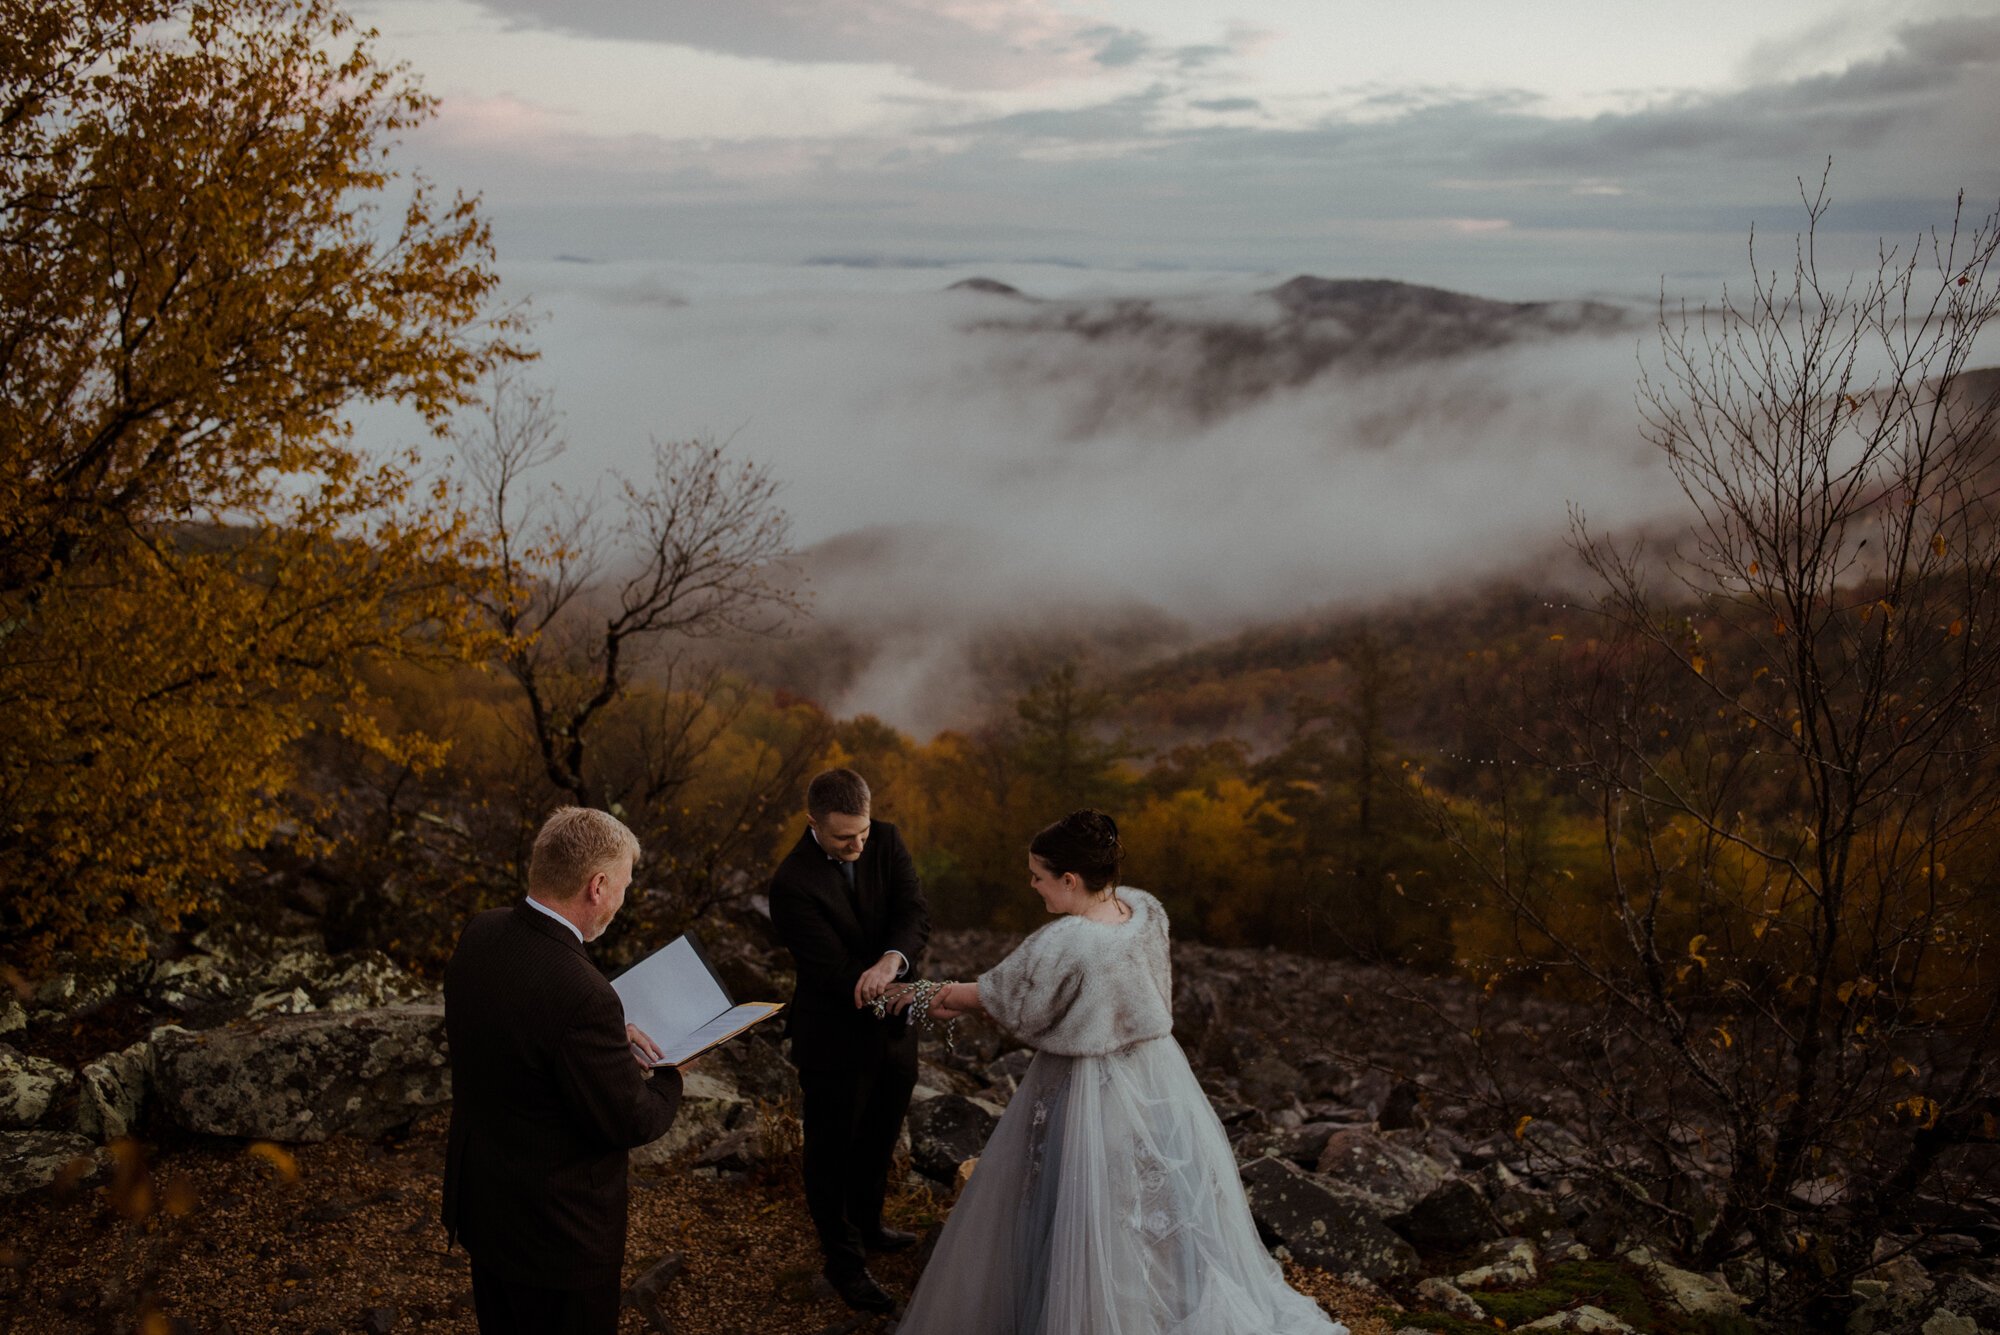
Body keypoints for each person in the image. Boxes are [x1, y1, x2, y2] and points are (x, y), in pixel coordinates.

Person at [889, 810, 1349, 1335]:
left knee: (1087, 1203)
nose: (1031, 885)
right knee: (1147, 1203)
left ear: (1070, 880)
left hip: (1088, 1082)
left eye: (1038, 876)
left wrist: (926, 994)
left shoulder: (1068, 940)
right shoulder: (1144, 910)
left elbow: (1005, 997)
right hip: (1155, 1071)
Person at [442, 806, 686, 1335]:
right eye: (622, 885)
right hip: (557, 1240)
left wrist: (592, 1039)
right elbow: (632, 1120)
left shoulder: (481, 934)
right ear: (597, 886)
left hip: (486, 1214)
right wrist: (674, 1069)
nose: (621, 899)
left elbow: (518, 1031)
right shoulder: (585, 995)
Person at [768, 768, 931, 1312]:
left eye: (861, 831)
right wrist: (875, 983)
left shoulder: (886, 839)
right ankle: (843, 1261)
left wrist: (892, 960)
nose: (858, 844)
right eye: (844, 837)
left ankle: (869, 1224)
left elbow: (913, 913)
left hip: (894, 1030)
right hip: (833, 1035)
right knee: (830, 1153)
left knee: (880, 1134)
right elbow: (831, 970)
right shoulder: (791, 882)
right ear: (813, 823)